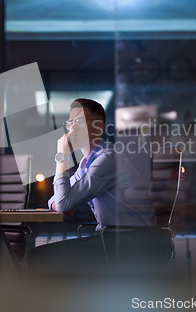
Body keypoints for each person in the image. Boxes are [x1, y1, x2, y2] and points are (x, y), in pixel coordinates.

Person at [28, 99, 171, 276]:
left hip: (132, 243)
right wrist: (62, 201)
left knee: (39, 257)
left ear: (98, 127)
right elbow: (57, 200)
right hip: (111, 239)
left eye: (79, 121)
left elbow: (63, 203)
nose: (71, 129)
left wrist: (62, 156)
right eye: (69, 122)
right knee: (41, 256)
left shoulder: (107, 159)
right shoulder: (87, 163)